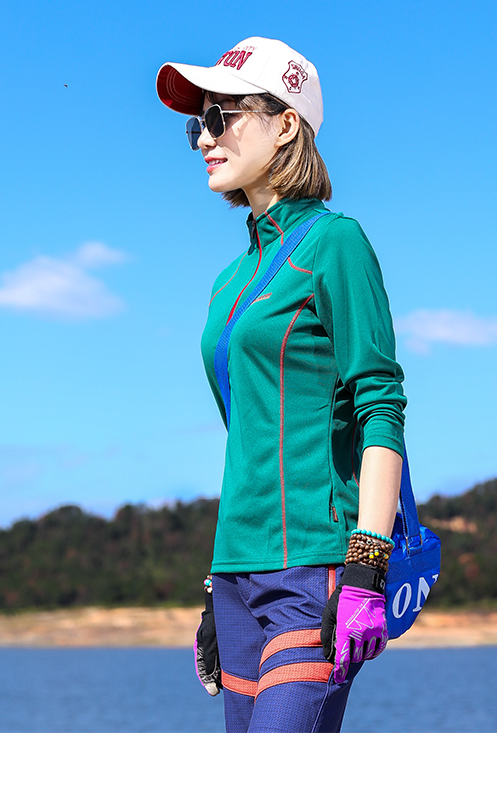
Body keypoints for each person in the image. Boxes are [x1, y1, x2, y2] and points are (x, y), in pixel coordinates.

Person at [156, 37, 407, 733]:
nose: (205, 138)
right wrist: (216, 584)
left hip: (316, 573)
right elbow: (250, 437)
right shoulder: (228, 282)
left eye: (221, 117)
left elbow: (380, 406)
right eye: (197, 124)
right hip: (236, 580)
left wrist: (367, 568)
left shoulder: (336, 243)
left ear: (287, 123)